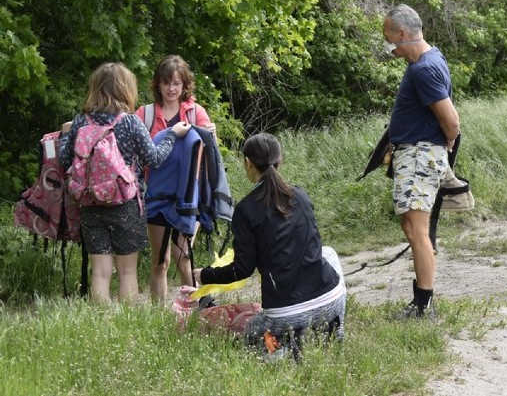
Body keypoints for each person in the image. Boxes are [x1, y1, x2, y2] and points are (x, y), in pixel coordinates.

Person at [193, 133, 346, 358]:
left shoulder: (245, 210)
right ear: (280, 160)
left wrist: (204, 275)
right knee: (328, 253)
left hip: (285, 312)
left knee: (251, 335)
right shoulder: (300, 195)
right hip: (331, 299)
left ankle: (279, 351)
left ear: (247, 162)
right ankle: (336, 333)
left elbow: (241, 269)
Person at [59, 62, 190, 303]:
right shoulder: (129, 122)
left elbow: (64, 159)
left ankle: (103, 320)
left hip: (89, 203)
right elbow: (154, 158)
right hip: (125, 203)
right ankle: (125, 323)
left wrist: (66, 134)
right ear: (125, 89)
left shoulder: (81, 122)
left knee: (100, 270)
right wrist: (172, 134)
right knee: (127, 270)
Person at [382, 4, 460, 318]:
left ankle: (423, 304)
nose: (388, 46)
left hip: (419, 156)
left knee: (417, 230)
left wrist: (446, 144)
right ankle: (421, 299)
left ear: (402, 33)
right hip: (414, 155)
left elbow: (451, 120)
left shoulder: (424, 68)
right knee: (413, 227)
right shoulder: (428, 61)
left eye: (388, 38)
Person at [135, 55, 216, 302]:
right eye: (166, 82)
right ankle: (158, 316)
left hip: (189, 194)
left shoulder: (195, 112)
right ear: (157, 84)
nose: (171, 88)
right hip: (158, 194)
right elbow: (137, 153)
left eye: (177, 83)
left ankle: (192, 312)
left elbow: (208, 151)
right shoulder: (145, 114)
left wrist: (211, 133)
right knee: (160, 261)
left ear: (185, 85)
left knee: (184, 257)